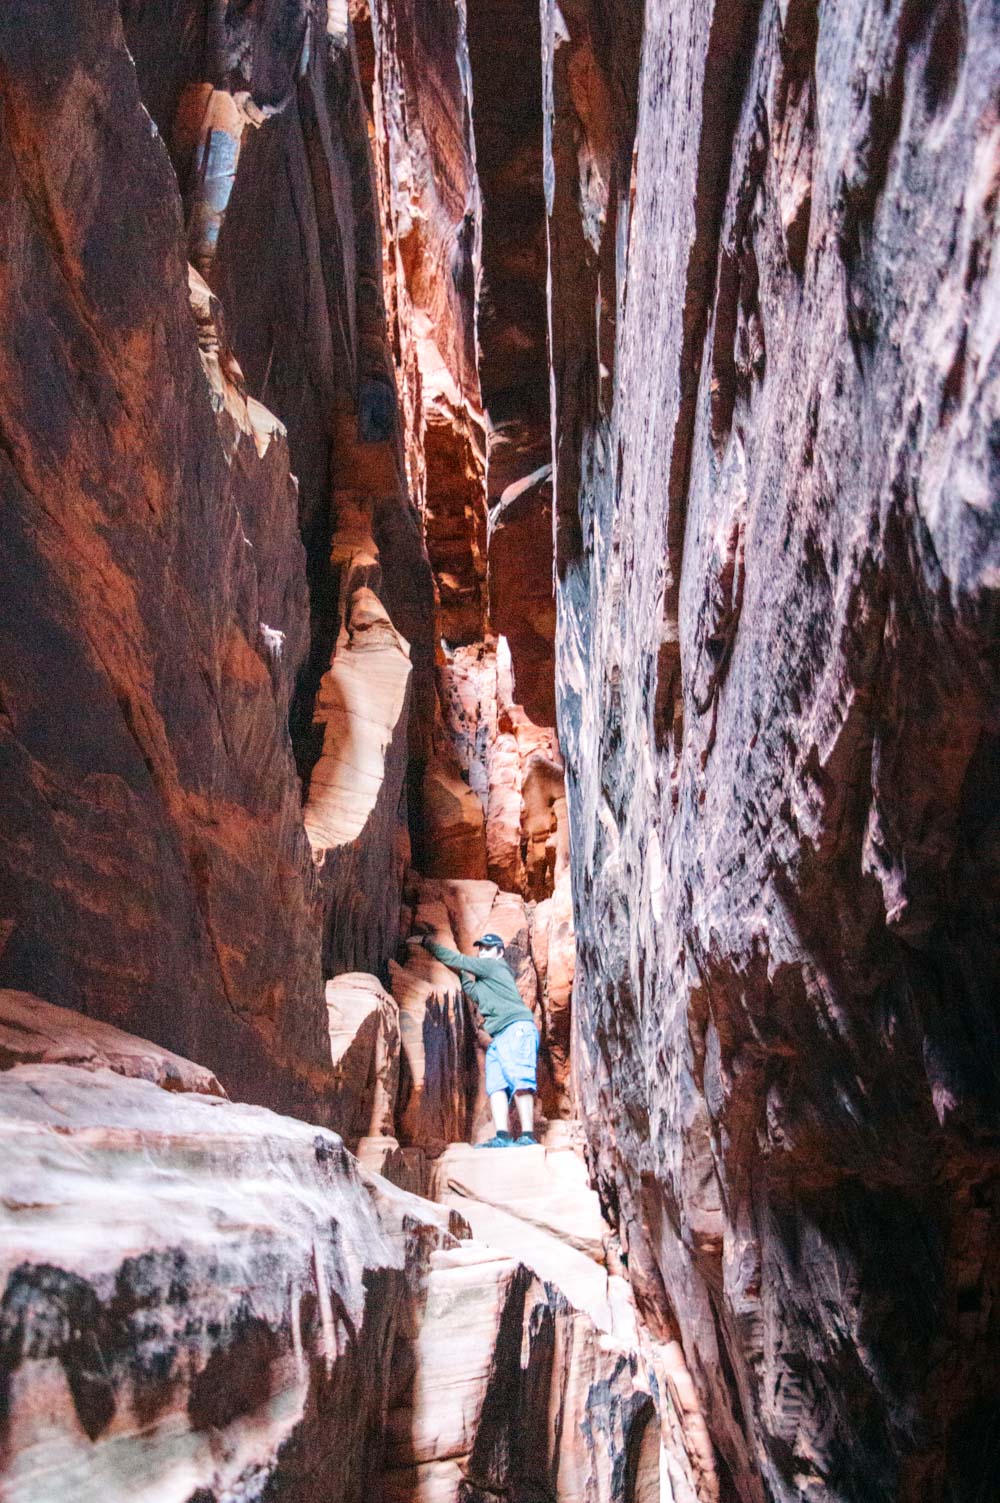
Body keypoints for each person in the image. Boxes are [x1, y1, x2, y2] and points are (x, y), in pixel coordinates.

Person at [417, 929, 540, 1148]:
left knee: (521, 1080)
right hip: (499, 1036)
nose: (483, 952)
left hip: (516, 1029)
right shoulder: (486, 981)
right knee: (496, 1086)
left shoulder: (495, 966)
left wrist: (427, 942)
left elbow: (459, 960)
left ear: (499, 953)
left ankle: (528, 1136)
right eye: (481, 948)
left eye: (488, 948)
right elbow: (471, 990)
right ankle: (503, 1136)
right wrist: (461, 972)